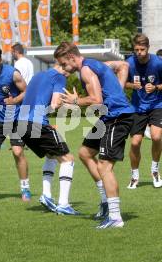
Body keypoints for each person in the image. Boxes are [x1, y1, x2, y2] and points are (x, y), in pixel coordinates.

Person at [56, 41, 135, 229]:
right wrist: (118, 90)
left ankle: (115, 217)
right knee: (85, 153)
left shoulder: (85, 69)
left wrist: (76, 101)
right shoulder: (94, 63)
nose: (63, 68)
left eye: (64, 64)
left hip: (118, 117)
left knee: (104, 166)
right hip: (109, 116)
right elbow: (123, 65)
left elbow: (96, 100)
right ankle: (106, 201)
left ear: (72, 58)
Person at [17, 63, 78, 215]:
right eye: (72, 68)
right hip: (36, 123)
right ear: (64, 63)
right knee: (68, 159)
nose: (73, 71)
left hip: (21, 124)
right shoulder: (59, 77)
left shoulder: (38, 75)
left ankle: (47, 195)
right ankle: (63, 204)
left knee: (51, 155)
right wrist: (72, 101)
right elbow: (55, 104)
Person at [0, 46, 31, 202]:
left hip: (16, 118)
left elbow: (26, 91)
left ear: (0, 61)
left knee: (17, 152)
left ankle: (25, 188)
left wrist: (14, 101)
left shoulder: (13, 73)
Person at [124, 34, 162, 189]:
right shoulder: (129, 63)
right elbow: (123, 82)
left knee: (157, 136)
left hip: (157, 104)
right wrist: (133, 86)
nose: (139, 52)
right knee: (135, 142)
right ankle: (134, 175)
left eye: (142, 49)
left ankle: (155, 170)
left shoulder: (158, 63)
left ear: (148, 48)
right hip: (137, 107)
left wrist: (156, 87)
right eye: (136, 49)